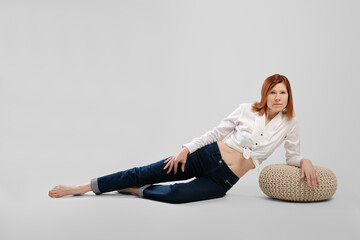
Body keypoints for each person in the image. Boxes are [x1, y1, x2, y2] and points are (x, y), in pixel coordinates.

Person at [48, 74, 320, 203]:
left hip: (224, 180)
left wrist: (304, 160)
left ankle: (136, 190)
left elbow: (292, 155)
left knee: (178, 195)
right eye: (272, 92)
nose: (277, 98)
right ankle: (83, 187)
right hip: (208, 155)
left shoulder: (290, 123)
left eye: (282, 93)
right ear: (265, 94)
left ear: (288, 96)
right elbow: (216, 132)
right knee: (144, 171)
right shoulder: (247, 109)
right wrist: (185, 150)